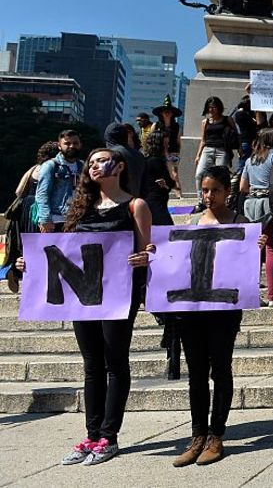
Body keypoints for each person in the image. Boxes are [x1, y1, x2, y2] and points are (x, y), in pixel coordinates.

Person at [17, 147, 154, 465]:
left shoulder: (135, 205)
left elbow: (152, 249)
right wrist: (32, 264)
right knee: (92, 365)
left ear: (119, 166)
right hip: (85, 296)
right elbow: (64, 251)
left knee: (115, 362)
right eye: (91, 162)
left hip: (120, 295)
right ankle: (91, 435)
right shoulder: (80, 207)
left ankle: (109, 435)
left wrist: (145, 256)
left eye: (102, 161)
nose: (94, 166)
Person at [171, 166, 247, 467]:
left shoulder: (240, 223)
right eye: (204, 190)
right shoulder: (192, 223)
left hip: (224, 310)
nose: (208, 195)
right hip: (192, 311)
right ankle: (197, 436)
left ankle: (217, 435)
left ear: (227, 191)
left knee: (221, 369)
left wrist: (255, 248)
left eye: (215, 190)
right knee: (197, 373)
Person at [241, 128, 273, 306]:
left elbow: (243, 187)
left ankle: (251, 292)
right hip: (269, 205)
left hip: (251, 205)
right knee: (272, 248)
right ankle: (272, 295)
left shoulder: (251, 160)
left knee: (254, 249)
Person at [35, 129, 84, 232]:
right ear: (59, 146)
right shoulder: (50, 166)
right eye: (67, 143)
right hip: (56, 220)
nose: (71, 146)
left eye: (75, 143)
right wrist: (45, 219)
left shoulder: (84, 166)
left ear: (80, 145)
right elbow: (42, 194)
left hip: (78, 220)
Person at [193, 97, 237, 201]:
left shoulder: (227, 120)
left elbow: (236, 135)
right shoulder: (205, 122)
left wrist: (239, 148)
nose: (211, 110)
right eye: (209, 108)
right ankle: (201, 200)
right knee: (199, 174)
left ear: (219, 108)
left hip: (222, 150)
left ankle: (222, 199)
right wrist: (198, 155)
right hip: (208, 149)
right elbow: (203, 139)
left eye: (214, 107)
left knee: (221, 176)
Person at [140, 128, 175, 226]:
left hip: (152, 200)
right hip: (156, 202)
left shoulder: (147, 160)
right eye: (165, 144)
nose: (168, 146)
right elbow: (171, 182)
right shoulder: (156, 162)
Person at [153, 96, 183, 198]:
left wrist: (178, 153)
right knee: (160, 172)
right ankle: (161, 192)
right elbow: (151, 140)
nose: (167, 113)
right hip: (159, 152)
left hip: (173, 151)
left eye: (169, 111)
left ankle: (179, 193)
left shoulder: (177, 126)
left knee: (174, 172)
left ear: (172, 114)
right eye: (165, 111)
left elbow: (178, 141)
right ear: (161, 113)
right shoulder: (156, 125)